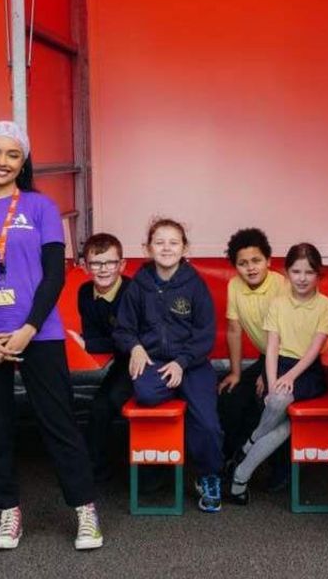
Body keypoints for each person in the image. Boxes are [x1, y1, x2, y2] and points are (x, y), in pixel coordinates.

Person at [0, 120, 101, 551]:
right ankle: (8, 512)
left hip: (40, 333)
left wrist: (28, 329)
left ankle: (85, 510)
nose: (3, 162)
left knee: (59, 423)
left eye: (13, 155)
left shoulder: (40, 208)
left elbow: (54, 276)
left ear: (23, 162)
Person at [115, 217, 225, 513]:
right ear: (147, 248)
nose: (166, 248)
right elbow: (124, 329)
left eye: (173, 242)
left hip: (192, 363)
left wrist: (182, 362)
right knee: (147, 395)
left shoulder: (195, 285)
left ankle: (208, 475)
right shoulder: (139, 285)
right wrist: (135, 347)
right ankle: (158, 467)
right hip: (155, 362)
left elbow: (205, 335)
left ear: (185, 248)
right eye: (159, 242)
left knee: (207, 423)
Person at [226, 242, 328, 503]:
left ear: (318, 275)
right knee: (283, 424)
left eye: (309, 272)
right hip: (279, 365)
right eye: (296, 272)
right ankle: (239, 480)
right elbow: (272, 346)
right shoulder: (277, 303)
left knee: (277, 400)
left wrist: (289, 378)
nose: (302, 278)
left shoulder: (326, 306)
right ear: (286, 273)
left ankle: (248, 446)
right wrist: (274, 378)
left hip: (307, 370)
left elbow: (313, 350)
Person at [217, 228, 286, 464]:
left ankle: (278, 468)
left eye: (256, 260)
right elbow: (234, 331)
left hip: (288, 359)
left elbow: (289, 338)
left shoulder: (281, 286)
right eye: (243, 263)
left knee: (266, 398)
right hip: (264, 357)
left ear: (268, 260)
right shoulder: (234, 286)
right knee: (231, 395)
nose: (251, 268)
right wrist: (236, 372)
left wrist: (269, 376)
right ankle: (232, 460)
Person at [76, 233, 132, 483]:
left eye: (110, 262)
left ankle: (149, 472)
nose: (104, 269)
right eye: (96, 263)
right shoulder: (85, 293)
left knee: (113, 402)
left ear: (122, 264)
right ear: (85, 267)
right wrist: (91, 343)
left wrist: (88, 343)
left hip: (150, 362)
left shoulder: (134, 293)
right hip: (124, 362)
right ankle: (95, 470)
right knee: (99, 406)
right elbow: (95, 337)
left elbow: (130, 339)